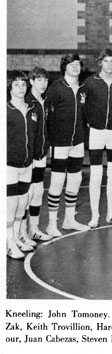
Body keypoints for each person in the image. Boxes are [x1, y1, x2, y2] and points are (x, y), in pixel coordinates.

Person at [83, 48, 112, 228]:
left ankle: (111, 213)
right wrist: (90, 121)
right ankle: (95, 215)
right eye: (106, 61)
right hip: (96, 132)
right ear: (100, 63)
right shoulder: (90, 82)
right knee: (95, 175)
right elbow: (84, 106)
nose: (109, 65)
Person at [46, 53, 90, 236]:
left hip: (77, 141)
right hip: (59, 142)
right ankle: (51, 224)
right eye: (71, 64)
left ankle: (69, 219)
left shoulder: (82, 88)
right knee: (57, 180)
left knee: (75, 179)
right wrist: (48, 141)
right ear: (64, 67)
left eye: (78, 64)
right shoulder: (56, 88)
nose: (75, 67)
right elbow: (46, 115)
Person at [7, 71, 39, 258]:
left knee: (22, 202)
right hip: (10, 164)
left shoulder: (31, 109)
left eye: (23, 84)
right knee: (10, 204)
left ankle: (18, 235)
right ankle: (8, 242)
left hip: (27, 163)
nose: (21, 88)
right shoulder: (6, 109)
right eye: (17, 85)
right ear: (10, 88)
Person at [23, 67, 53, 242]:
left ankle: (33, 228)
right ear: (32, 81)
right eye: (39, 80)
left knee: (37, 191)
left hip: (41, 155)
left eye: (45, 80)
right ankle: (21, 233)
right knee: (26, 195)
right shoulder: (27, 101)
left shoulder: (45, 101)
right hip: (29, 158)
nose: (43, 84)